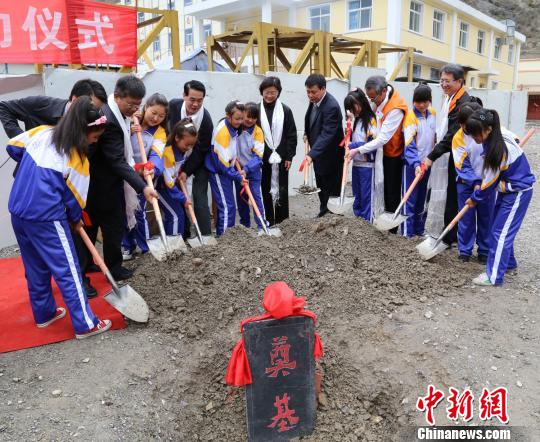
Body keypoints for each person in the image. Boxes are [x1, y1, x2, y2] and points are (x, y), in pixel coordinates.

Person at [5, 97, 112, 339]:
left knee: (35, 266)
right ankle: (85, 324)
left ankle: (44, 313)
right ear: (84, 132)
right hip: (46, 216)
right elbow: (75, 202)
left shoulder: (41, 132)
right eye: (94, 138)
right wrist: (76, 219)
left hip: (18, 210)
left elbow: (13, 147)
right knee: (69, 269)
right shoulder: (78, 159)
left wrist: (31, 172)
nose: (94, 143)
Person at [83, 75, 158, 281]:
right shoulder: (110, 120)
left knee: (97, 227)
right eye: (131, 104)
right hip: (101, 185)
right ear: (117, 96)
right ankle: (104, 270)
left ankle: (92, 265)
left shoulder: (117, 114)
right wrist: (142, 186)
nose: (134, 109)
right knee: (108, 227)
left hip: (103, 183)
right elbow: (117, 160)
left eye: (137, 105)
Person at [464, 109, 535, 286]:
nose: (474, 139)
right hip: (507, 189)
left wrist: (474, 198)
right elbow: (517, 139)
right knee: (498, 227)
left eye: (476, 135)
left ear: (487, 130)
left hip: (518, 191)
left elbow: (487, 185)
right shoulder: (499, 132)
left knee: (500, 233)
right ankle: (509, 263)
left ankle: (494, 276)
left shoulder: (496, 151)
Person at [349, 76, 408, 232]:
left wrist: (358, 149)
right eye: (369, 98)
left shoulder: (395, 107)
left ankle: (392, 231)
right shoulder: (379, 99)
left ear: (383, 91)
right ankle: (382, 223)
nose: (372, 101)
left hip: (393, 154)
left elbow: (382, 138)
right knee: (380, 191)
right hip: (381, 153)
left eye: (373, 98)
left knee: (391, 193)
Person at [424, 64, 472, 245]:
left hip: (460, 156)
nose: (443, 84)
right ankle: (448, 233)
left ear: (459, 81)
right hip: (450, 152)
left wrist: (431, 156)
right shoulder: (449, 98)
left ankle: (451, 237)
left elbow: (452, 135)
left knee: (453, 194)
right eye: (441, 80)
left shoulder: (463, 103)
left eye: (447, 81)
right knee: (446, 192)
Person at [122, 93, 168, 260]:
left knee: (139, 211)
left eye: (161, 116)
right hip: (124, 172)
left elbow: (157, 154)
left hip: (142, 176)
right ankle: (127, 245)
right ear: (145, 107)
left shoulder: (160, 133)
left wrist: (151, 168)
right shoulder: (130, 120)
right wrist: (129, 130)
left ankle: (146, 247)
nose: (156, 118)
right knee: (123, 211)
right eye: (153, 113)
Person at [168, 81, 213, 238]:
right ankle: (185, 234)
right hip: (174, 157)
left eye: (200, 100)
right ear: (184, 96)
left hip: (197, 160)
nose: (195, 104)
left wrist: (186, 171)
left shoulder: (206, 120)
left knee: (199, 195)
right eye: (192, 99)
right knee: (179, 195)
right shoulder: (172, 107)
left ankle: (205, 234)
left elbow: (201, 151)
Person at [452, 102, 495, 263]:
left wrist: (484, 183)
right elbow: (462, 165)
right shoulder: (458, 138)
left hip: (488, 183)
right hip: (466, 184)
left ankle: (484, 250)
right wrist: (475, 182)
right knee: (466, 218)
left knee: (486, 217)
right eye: (465, 126)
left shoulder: (487, 132)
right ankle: (465, 250)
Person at [0, 79, 107, 139]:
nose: (95, 113)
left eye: (98, 110)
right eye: (91, 108)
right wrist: (22, 140)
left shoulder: (93, 123)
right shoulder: (41, 104)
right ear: (74, 100)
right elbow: (4, 107)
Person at [258, 76, 298, 225]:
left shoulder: (286, 110)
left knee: (282, 189)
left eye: (273, 92)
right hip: (262, 158)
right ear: (262, 91)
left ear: (278, 93)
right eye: (267, 92)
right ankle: (268, 221)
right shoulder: (256, 110)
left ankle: (283, 222)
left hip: (282, 158)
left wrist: (289, 157)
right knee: (265, 189)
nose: (269, 95)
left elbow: (292, 135)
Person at [304, 74, 344, 217]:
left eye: (313, 92)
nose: (310, 95)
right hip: (319, 155)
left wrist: (311, 154)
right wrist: (307, 133)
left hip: (331, 156)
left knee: (331, 190)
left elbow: (327, 134)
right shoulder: (315, 100)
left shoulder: (331, 106)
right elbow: (310, 119)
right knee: (321, 188)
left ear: (323, 89)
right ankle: (323, 213)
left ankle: (332, 219)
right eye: (308, 92)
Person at [205, 101, 246, 236]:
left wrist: (235, 160)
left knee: (229, 206)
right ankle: (224, 239)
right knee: (227, 207)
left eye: (242, 118)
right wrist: (238, 177)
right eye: (237, 118)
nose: (240, 122)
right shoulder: (223, 133)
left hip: (226, 170)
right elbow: (222, 165)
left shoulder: (231, 127)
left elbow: (228, 154)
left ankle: (227, 237)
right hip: (219, 172)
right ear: (228, 116)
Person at [401, 83, 437, 237]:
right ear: (413, 100)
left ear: (430, 100)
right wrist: (415, 164)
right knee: (410, 198)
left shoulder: (433, 113)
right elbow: (409, 145)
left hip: (426, 164)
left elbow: (434, 136)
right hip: (412, 165)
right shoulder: (410, 117)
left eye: (425, 101)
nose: (422, 105)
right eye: (418, 101)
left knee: (422, 198)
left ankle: (419, 230)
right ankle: (407, 233)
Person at [155, 119, 197, 237]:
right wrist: (183, 198)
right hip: (160, 188)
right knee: (175, 215)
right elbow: (168, 182)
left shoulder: (182, 150)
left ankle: (174, 240)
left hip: (170, 187)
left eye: (191, 145)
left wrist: (180, 172)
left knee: (178, 214)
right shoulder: (168, 153)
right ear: (177, 138)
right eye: (187, 144)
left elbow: (178, 167)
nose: (189, 147)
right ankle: (174, 246)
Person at [343, 88, 378, 221]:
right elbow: (349, 140)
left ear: (362, 102)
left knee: (366, 197)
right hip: (356, 164)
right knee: (357, 197)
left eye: (354, 107)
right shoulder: (355, 121)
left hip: (368, 166)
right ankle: (358, 224)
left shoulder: (371, 121)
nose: (353, 111)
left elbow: (373, 144)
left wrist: (353, 146)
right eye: (349, 109)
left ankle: (367, 224)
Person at [236, 102, 266, 230]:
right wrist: (240, 170)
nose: (250, 120)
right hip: (237, 168)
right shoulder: (236, 128)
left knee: (256, 197)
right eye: (247, 116)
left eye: (253, 117)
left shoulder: (258, 132)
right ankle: (245, 226)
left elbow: (258, 156)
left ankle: (262, 225)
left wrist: (247, 169)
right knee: (241, 198)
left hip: (253, 170)